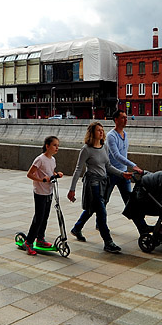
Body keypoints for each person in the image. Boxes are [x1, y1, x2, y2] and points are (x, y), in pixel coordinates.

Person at [68, 122, 132, 253]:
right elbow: (78, 169)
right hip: (93, 183)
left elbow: (108, 166)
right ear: (92, 133)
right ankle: (108, 242)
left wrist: (122, 174)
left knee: (92, 208)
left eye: (102, 130)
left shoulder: (104, 147)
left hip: (103, 182)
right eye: (98, 130)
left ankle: (77, 228)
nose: (101, 132)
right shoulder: (86, 149)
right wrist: (72, 189)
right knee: (101, 211)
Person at [22, 136, 63, 256]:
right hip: (40, 192)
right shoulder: (40, 159)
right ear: (47, 146)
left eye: (58, 145)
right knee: (38, 217)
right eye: (55, 145)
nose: (57, 148)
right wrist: (41, 180)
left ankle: (40, 239)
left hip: (49, 191)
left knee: (45, 216)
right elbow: (29, 174)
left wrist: (56, 174)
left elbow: (50, 173)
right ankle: (29, 242)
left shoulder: (53, 160)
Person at [106, 110, 143, 205]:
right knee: (103, 202)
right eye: (123, 118)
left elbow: (124, 153)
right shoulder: (111, 136)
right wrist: (133, 165)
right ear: (116, 120)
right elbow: (116, 155)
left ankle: (139, 220)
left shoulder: (125, 134)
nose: (126, 120)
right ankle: (83, 219)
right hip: (112, 173)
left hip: (124, 173)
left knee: (130, 203)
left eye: (126, 117)